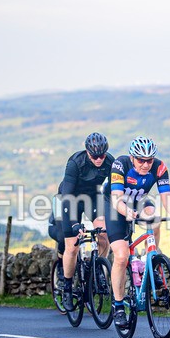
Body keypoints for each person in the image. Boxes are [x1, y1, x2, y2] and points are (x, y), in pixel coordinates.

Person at [103, 136, 170, 327]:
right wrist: (127, 213)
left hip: (140, 200)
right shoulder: (120, 165)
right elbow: (117, 198)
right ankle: (118, 306)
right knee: (121, 255)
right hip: (115, 205)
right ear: (132, 158)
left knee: (155, 218)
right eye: (141, 160)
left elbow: (166, 197)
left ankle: (149, 260)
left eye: (149, 160)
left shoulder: (159, 167)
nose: (145, 164)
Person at [53, 132, 114, 311]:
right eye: (95, 156)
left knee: (103, 233)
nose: (99, 159)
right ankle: (67, 287)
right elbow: (67, 197)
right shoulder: (75, 163)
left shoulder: (110, 161)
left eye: (102, 155)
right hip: (71, 198)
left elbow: (117, 188)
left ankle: (97, 268)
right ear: (87, 152)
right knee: (72, 246)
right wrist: (74, 224)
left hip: (93, 197)